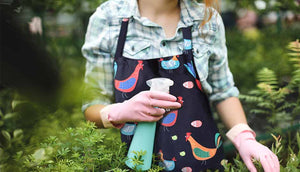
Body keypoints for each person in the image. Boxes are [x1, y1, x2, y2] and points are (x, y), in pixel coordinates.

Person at [81, 0, 280, 171]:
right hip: (133, 164)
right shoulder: (108, 19)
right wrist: (119, 111)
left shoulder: (206, 20)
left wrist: (245, 138)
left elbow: (223, 91)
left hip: (204, 166)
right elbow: (91, 108)